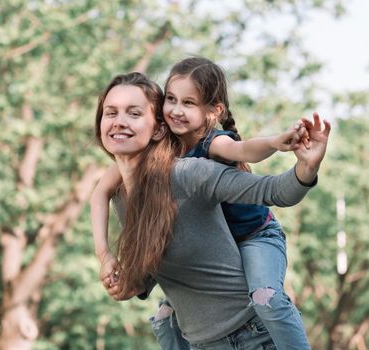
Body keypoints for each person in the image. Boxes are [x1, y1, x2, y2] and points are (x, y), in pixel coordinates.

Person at [94, 71, 330, 349]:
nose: (119, 122)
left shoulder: (190, 172)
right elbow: (167, 261)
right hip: (202, 343)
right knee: (161, 317)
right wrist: (123, 277)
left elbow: (274, 191)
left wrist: (307, 167)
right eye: (111, 113)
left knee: (267, 295)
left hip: (254, 336)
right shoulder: (120, 196)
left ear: (158, 128)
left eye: (133, 113)